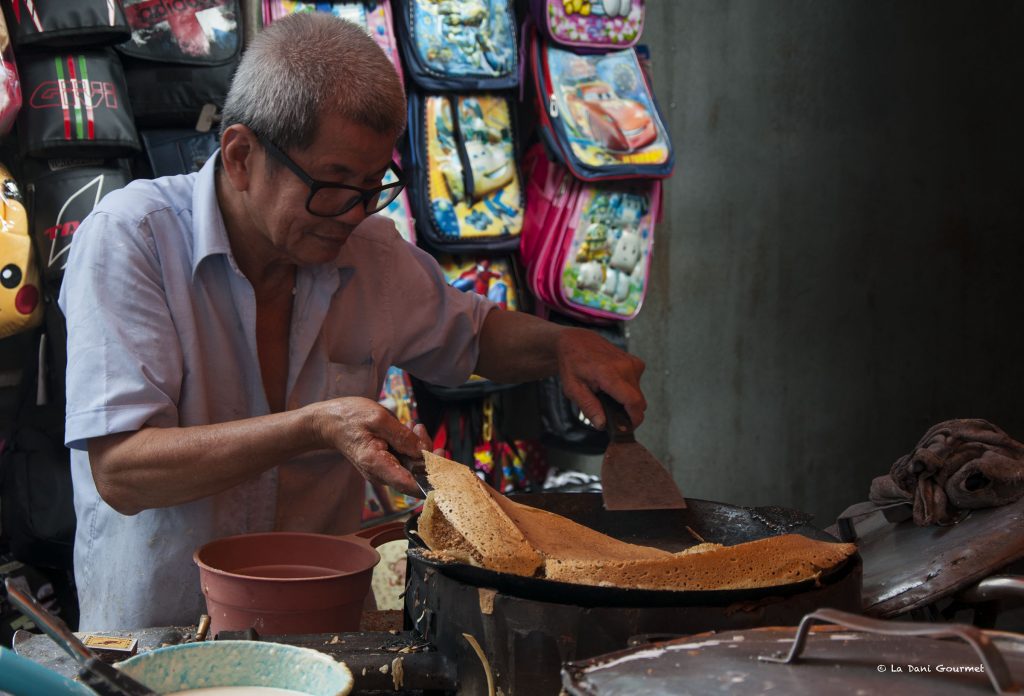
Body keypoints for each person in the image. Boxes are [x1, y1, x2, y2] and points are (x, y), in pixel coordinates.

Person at [58, 13, 646, 631]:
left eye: (373, 185)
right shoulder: (133, 238)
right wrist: (316, 425)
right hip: (157, 640)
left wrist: (564, 345)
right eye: (333, 184)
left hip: (324, 635)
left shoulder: (370, 250)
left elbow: (477, 334)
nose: (353, 213)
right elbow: (122, 469)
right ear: (240, 156)